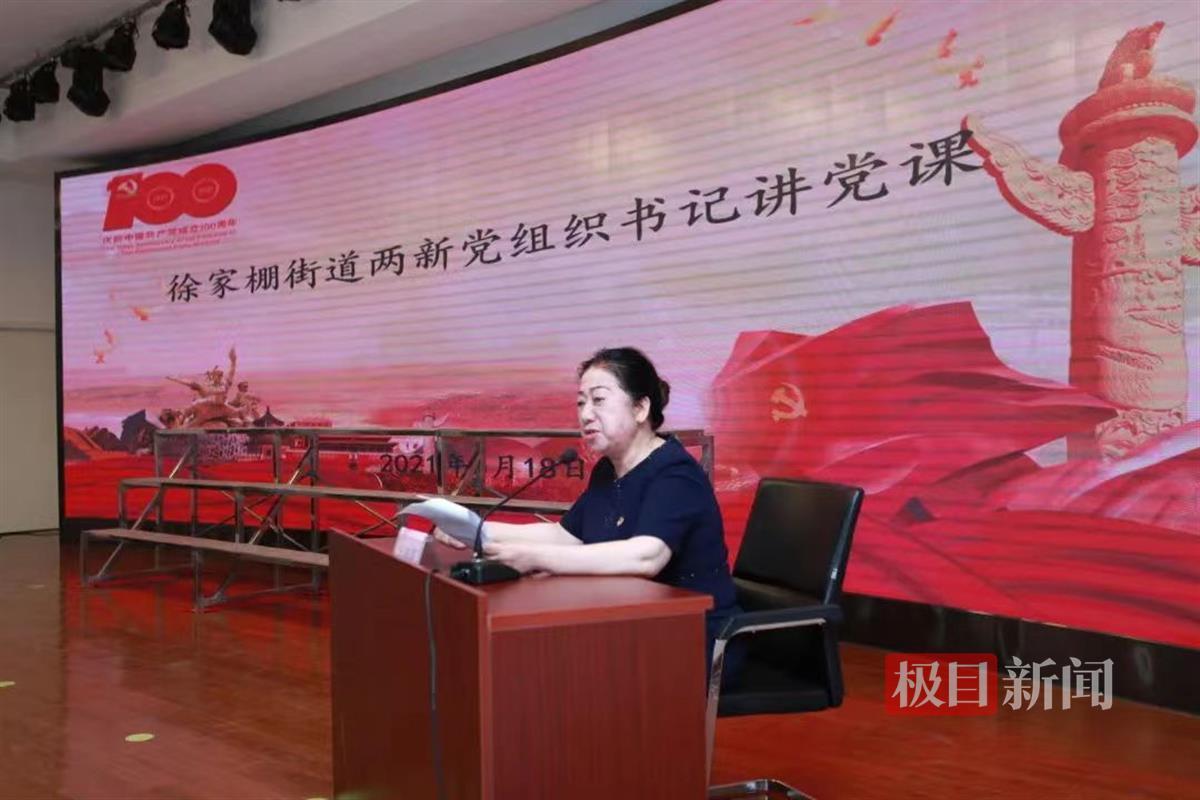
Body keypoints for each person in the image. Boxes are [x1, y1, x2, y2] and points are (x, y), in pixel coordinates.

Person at [435, 346, 743, 685]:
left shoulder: (675, 473)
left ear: (641, 408)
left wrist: (534, 558)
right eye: (581, 403)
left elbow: (646, 556)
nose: (585, 414)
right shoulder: (608, 471)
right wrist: (476, 530)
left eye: (598, 400)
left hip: (692, 637)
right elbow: (565, 535)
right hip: (631, 624)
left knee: (554, 669)